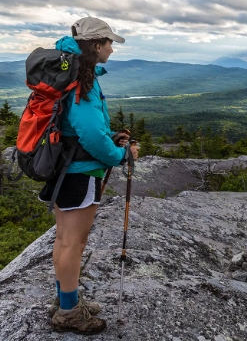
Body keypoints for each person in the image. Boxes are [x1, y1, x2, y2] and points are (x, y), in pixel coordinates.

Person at [38, 17, 139, 334]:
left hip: (65, 170)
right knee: (73, 243)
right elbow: (89, 134)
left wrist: (110, 136)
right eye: (109, 42)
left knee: (64, 239)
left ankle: (65, 299)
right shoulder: (82, 81)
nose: (112, 47)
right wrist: (121, 154)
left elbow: (82, 127)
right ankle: (69, 312)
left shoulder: (71, 74)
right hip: (79, 174)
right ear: (96, 45)